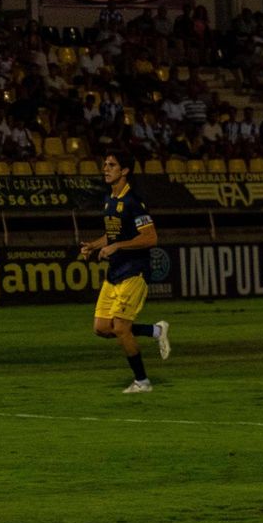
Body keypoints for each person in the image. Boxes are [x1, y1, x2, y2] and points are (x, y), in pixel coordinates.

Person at [77, 149, 170, 393]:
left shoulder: (133, 202)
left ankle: (142, 381)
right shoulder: (110, 199)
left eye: (111, 165)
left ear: (125, 171)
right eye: (105, 164)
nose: (105, 168)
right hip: (115, 271)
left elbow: (151, 237)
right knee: (101, 328)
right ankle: (155, 330)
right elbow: (114, 233)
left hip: (134, 271)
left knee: (120, 328)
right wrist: (94, 245)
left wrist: (117, 246)